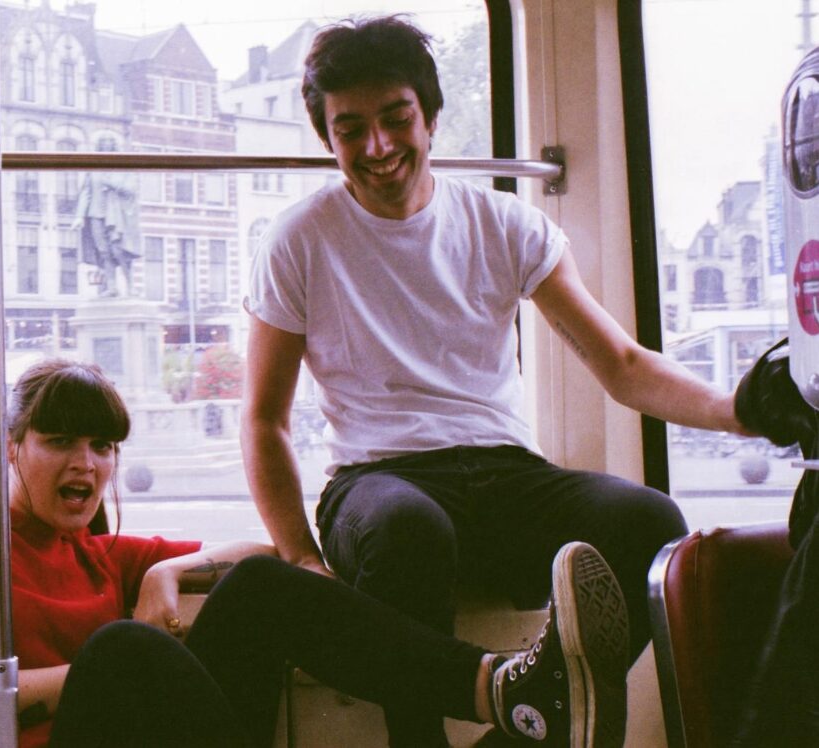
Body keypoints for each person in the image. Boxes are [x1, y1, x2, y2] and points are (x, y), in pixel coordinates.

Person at [240, 15, 749, 747]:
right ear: (328, 139)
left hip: (504, 475)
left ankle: (528, 727)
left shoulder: (505, 225)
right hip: (377, 483)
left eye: (396, 119)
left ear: (431, 118)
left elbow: (622, 365)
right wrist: (299, 557)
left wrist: (739, 411)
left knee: (650, 522)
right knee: (407, 528)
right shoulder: (298, 240)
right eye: (351, 129)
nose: (378, 147)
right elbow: (264, 419)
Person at [0, 359, 630, 747]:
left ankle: (504, 691)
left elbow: (258, 551)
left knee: (262, 586)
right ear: (12, 447)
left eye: (102, 445)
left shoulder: (99, 554)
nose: (87, 463)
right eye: (59, 441)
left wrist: (171, 570)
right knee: (123, 651)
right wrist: (109, 670)